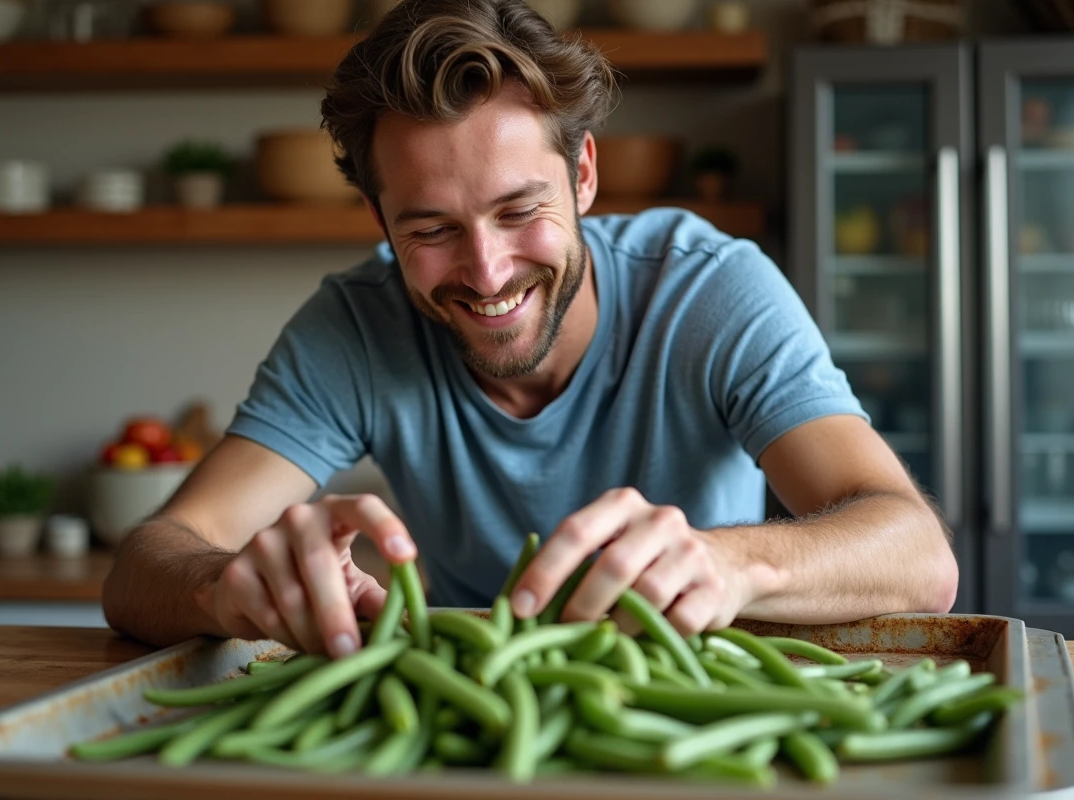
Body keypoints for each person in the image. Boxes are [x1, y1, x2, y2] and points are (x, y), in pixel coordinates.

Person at [103, 0, 958, 658]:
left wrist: (735, 562)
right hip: (475, 707)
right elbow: (147, 562)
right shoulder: (353, 328)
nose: (487, 271)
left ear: (584, 174)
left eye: (520, 210)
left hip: (694, 702)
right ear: (377, 217)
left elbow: (920, 558)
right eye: (431, 230)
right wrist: (225, 585)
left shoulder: (711, 289)